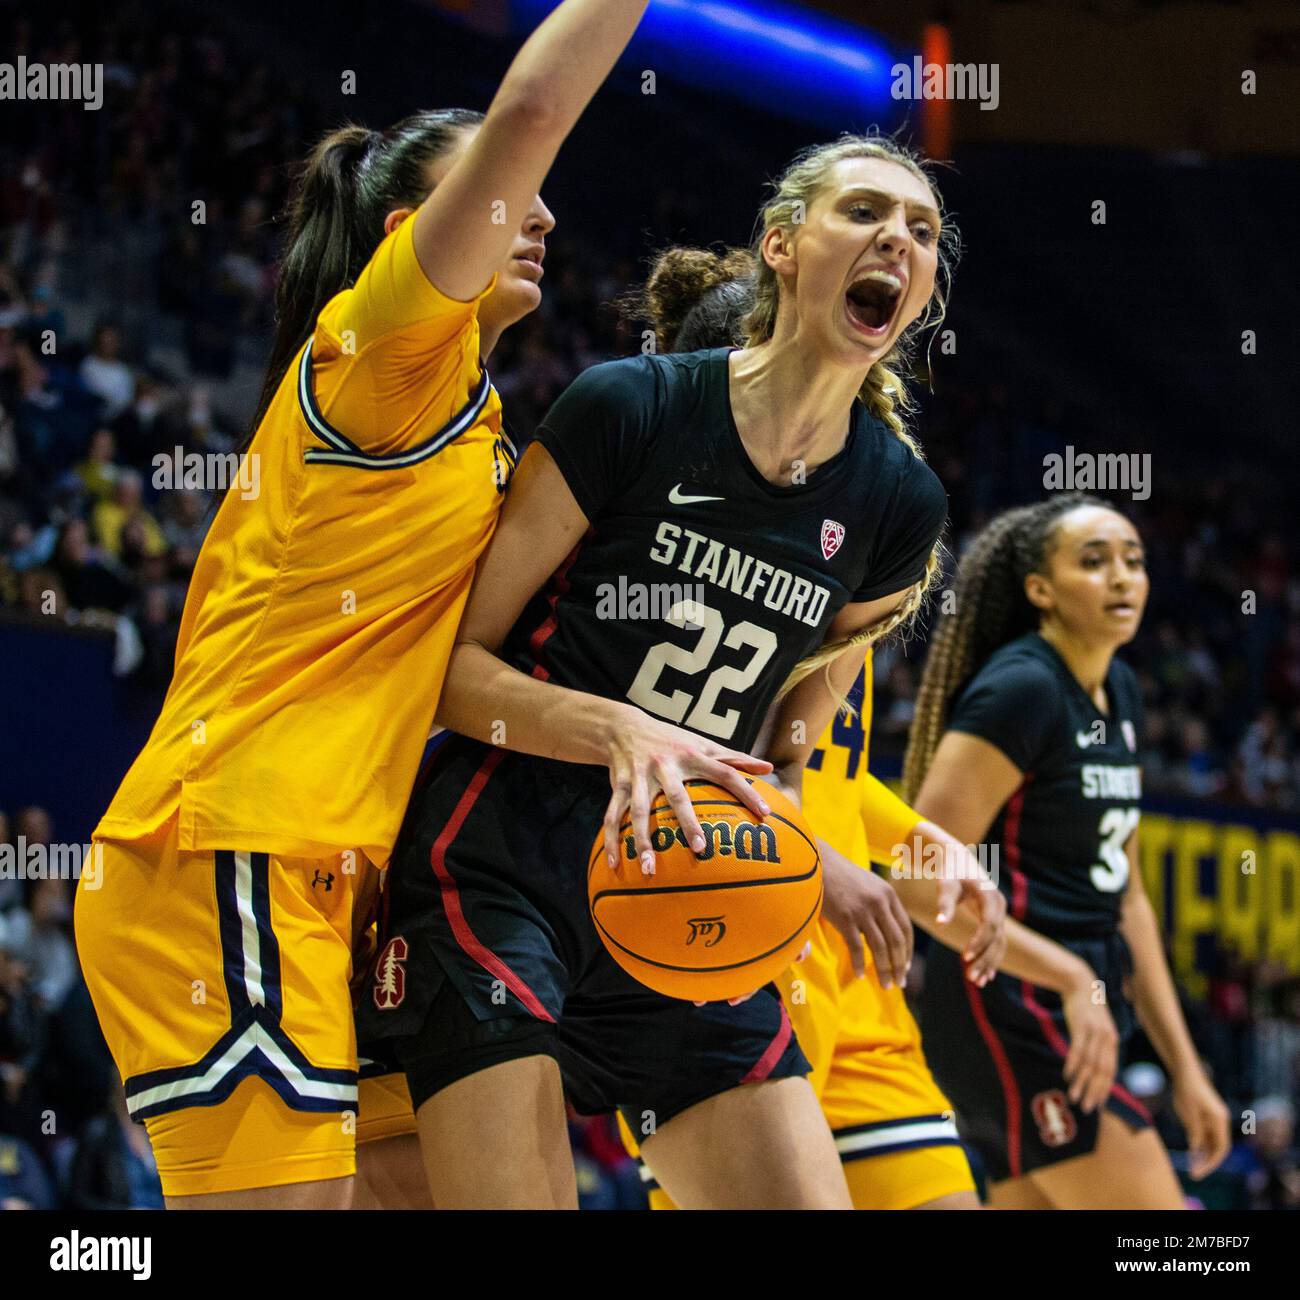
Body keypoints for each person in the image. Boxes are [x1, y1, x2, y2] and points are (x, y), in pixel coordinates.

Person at [74, 0, 652, 1210]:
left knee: (460, 1174)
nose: (544, 210)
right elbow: (537, 107)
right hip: (237, 842)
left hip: (341, 878)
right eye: (512, 187)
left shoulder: (483, 434)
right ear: (413, 233)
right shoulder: (380, 351)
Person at [358, 131, 958, 1209]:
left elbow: (785, 753)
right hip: (507, 859)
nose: (898, 240)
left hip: (693, 873)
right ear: (782, 245)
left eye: (920, 230)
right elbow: (448, 669)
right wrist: (619, 730)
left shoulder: (897, 508)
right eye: (863, 211)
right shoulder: (632, 405)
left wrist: (812, 860)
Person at [617, 267, 1123, 1212]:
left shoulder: (851, 586)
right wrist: (827, 865)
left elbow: (839, 786)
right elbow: (701, 774)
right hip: (727, 972)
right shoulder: (678, 577)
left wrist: (917, 851)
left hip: (862, 1007)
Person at [904, 493, 1233, 1208]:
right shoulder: (1024, 688)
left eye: (1134, 561)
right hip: (1013, 1007)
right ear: (1040, 591)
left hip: (1072, 1008)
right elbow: (918, 882)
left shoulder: (1118, 689)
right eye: (1094, 562)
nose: (1122, 577)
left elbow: (1130, 897)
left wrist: (1186, 1068)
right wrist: (1066, 977)